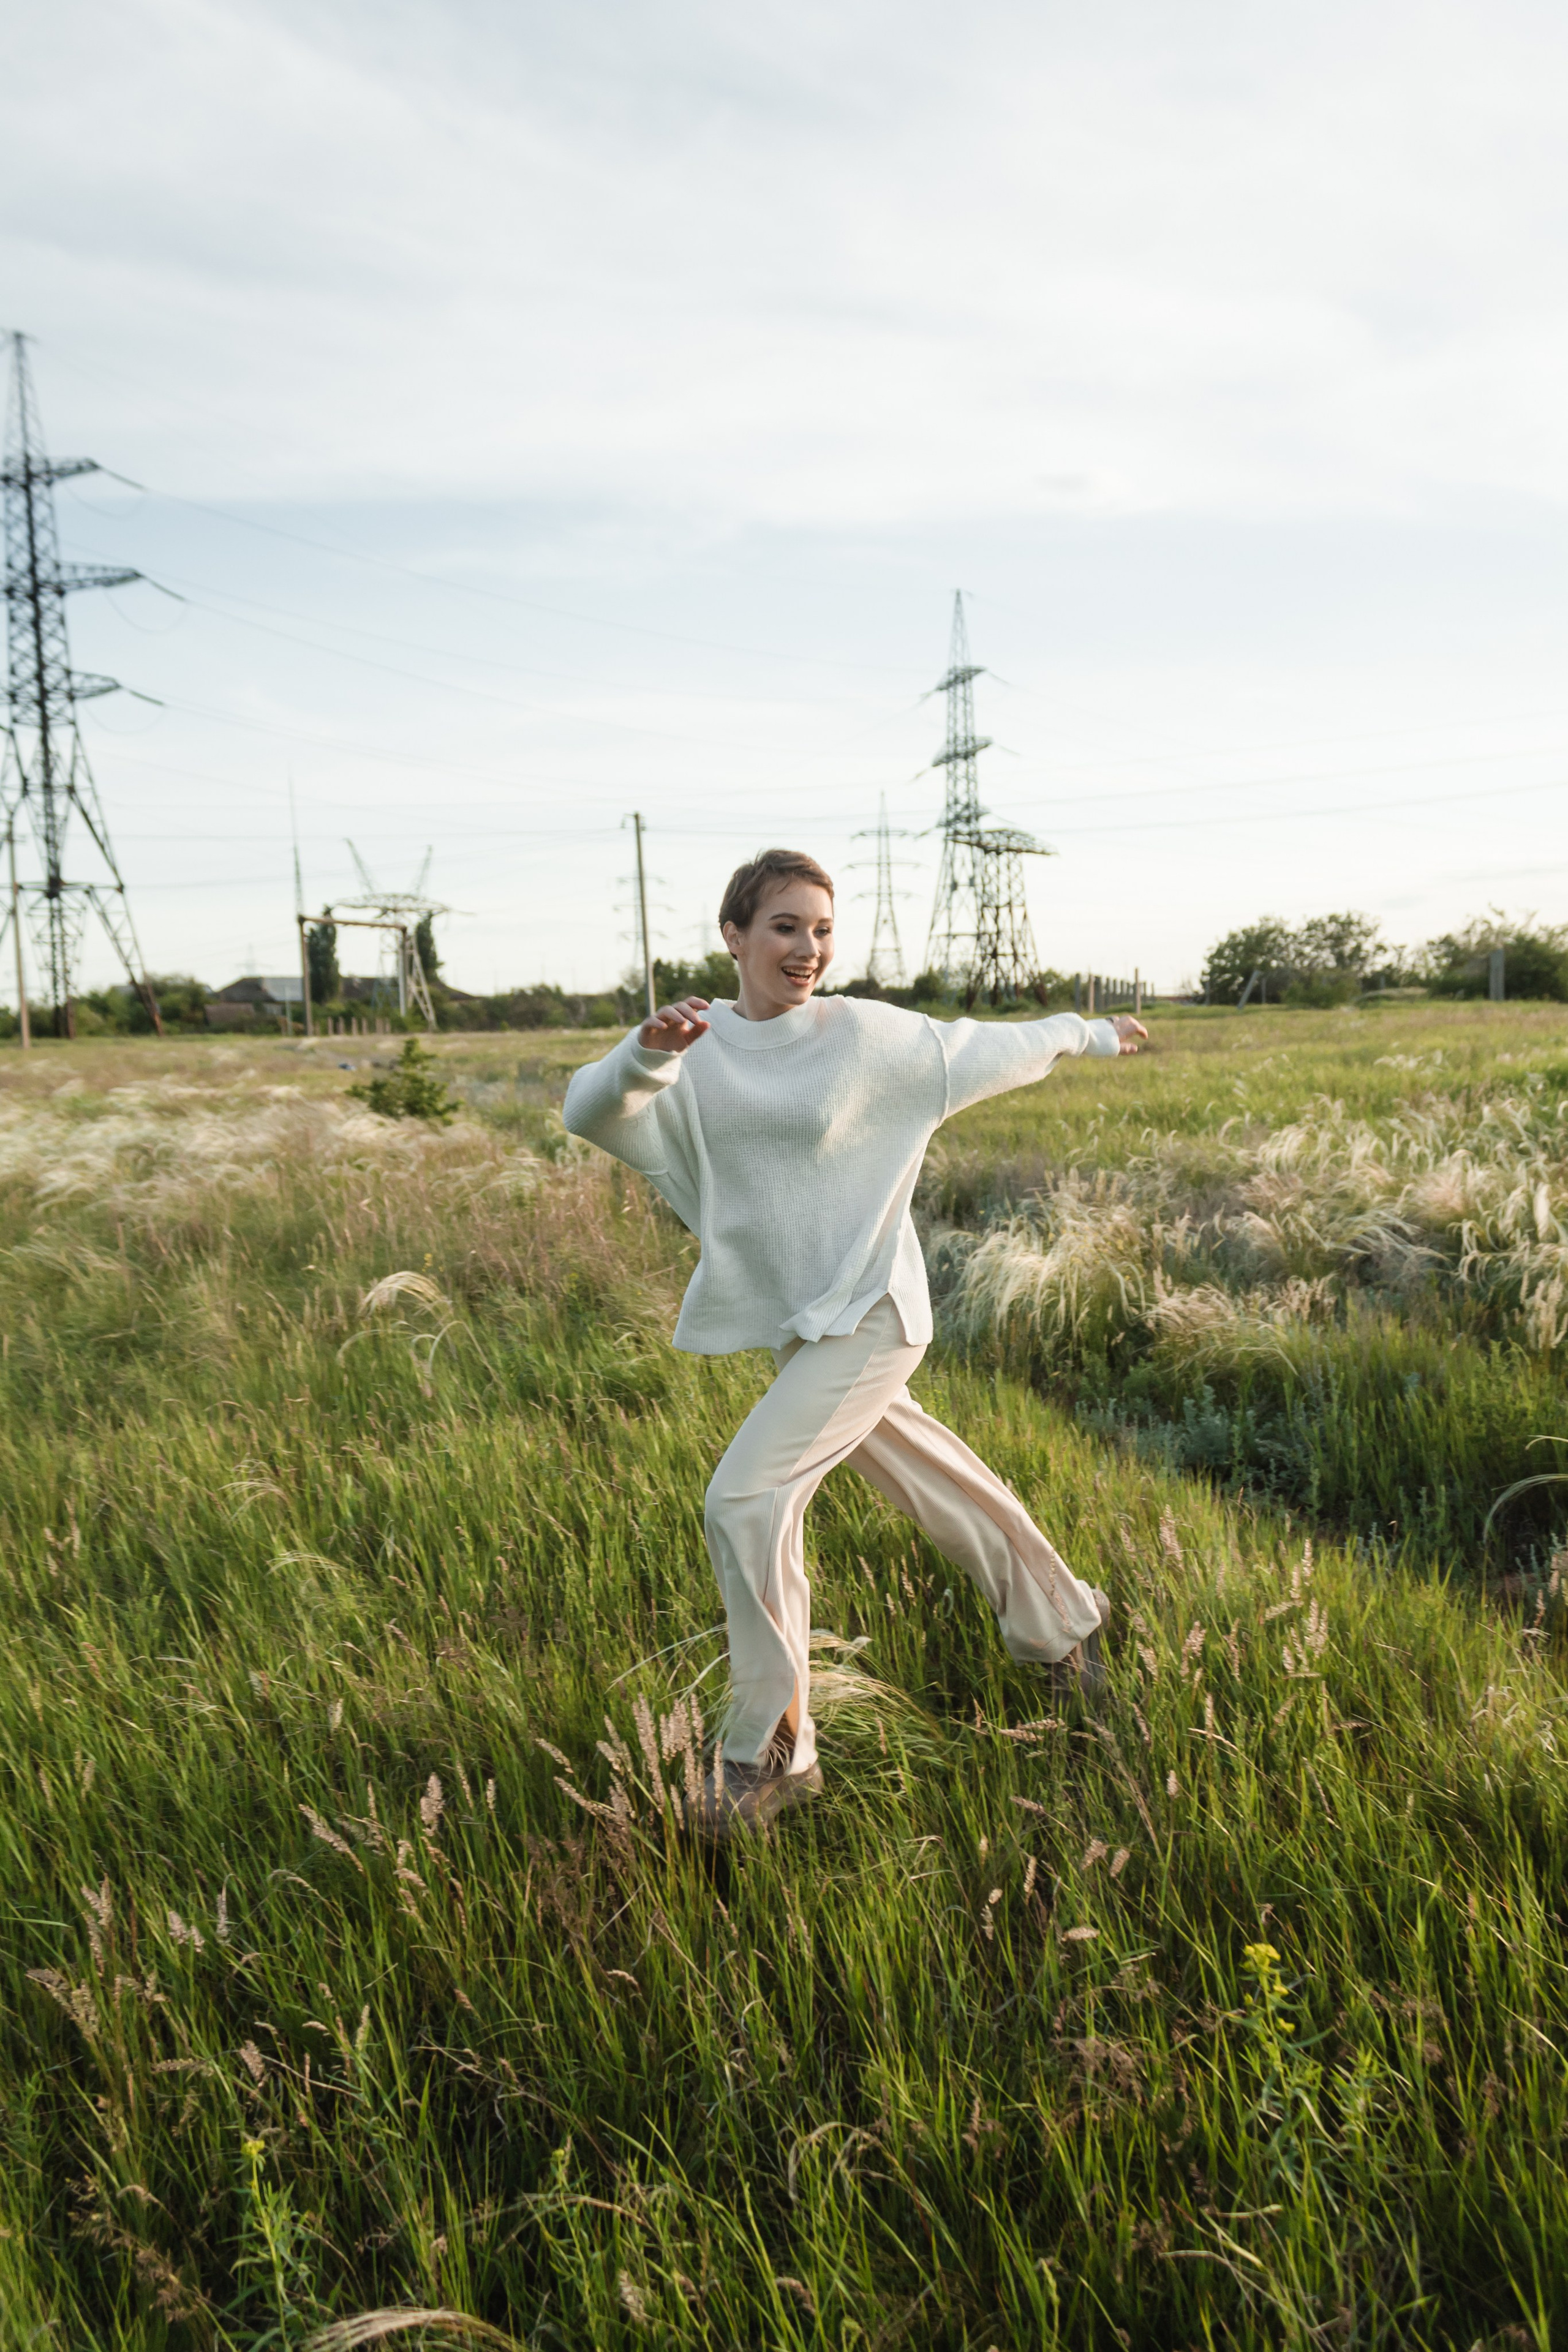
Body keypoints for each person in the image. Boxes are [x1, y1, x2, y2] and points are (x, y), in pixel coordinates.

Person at [564, 848, 1147, 1836]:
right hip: (806, 1325)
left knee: (744, 1500)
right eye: (786, 927)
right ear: (735, 936)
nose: (808, 949)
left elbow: (996, 1045)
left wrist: (1088, 1033)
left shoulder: (873, 1037)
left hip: (874, 1313)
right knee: (937, 1481)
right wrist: (648, 1051)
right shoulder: (693, 1047)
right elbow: (593, 1109)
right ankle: (1068, 1629)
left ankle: (770, 1748)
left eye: (823, 929)